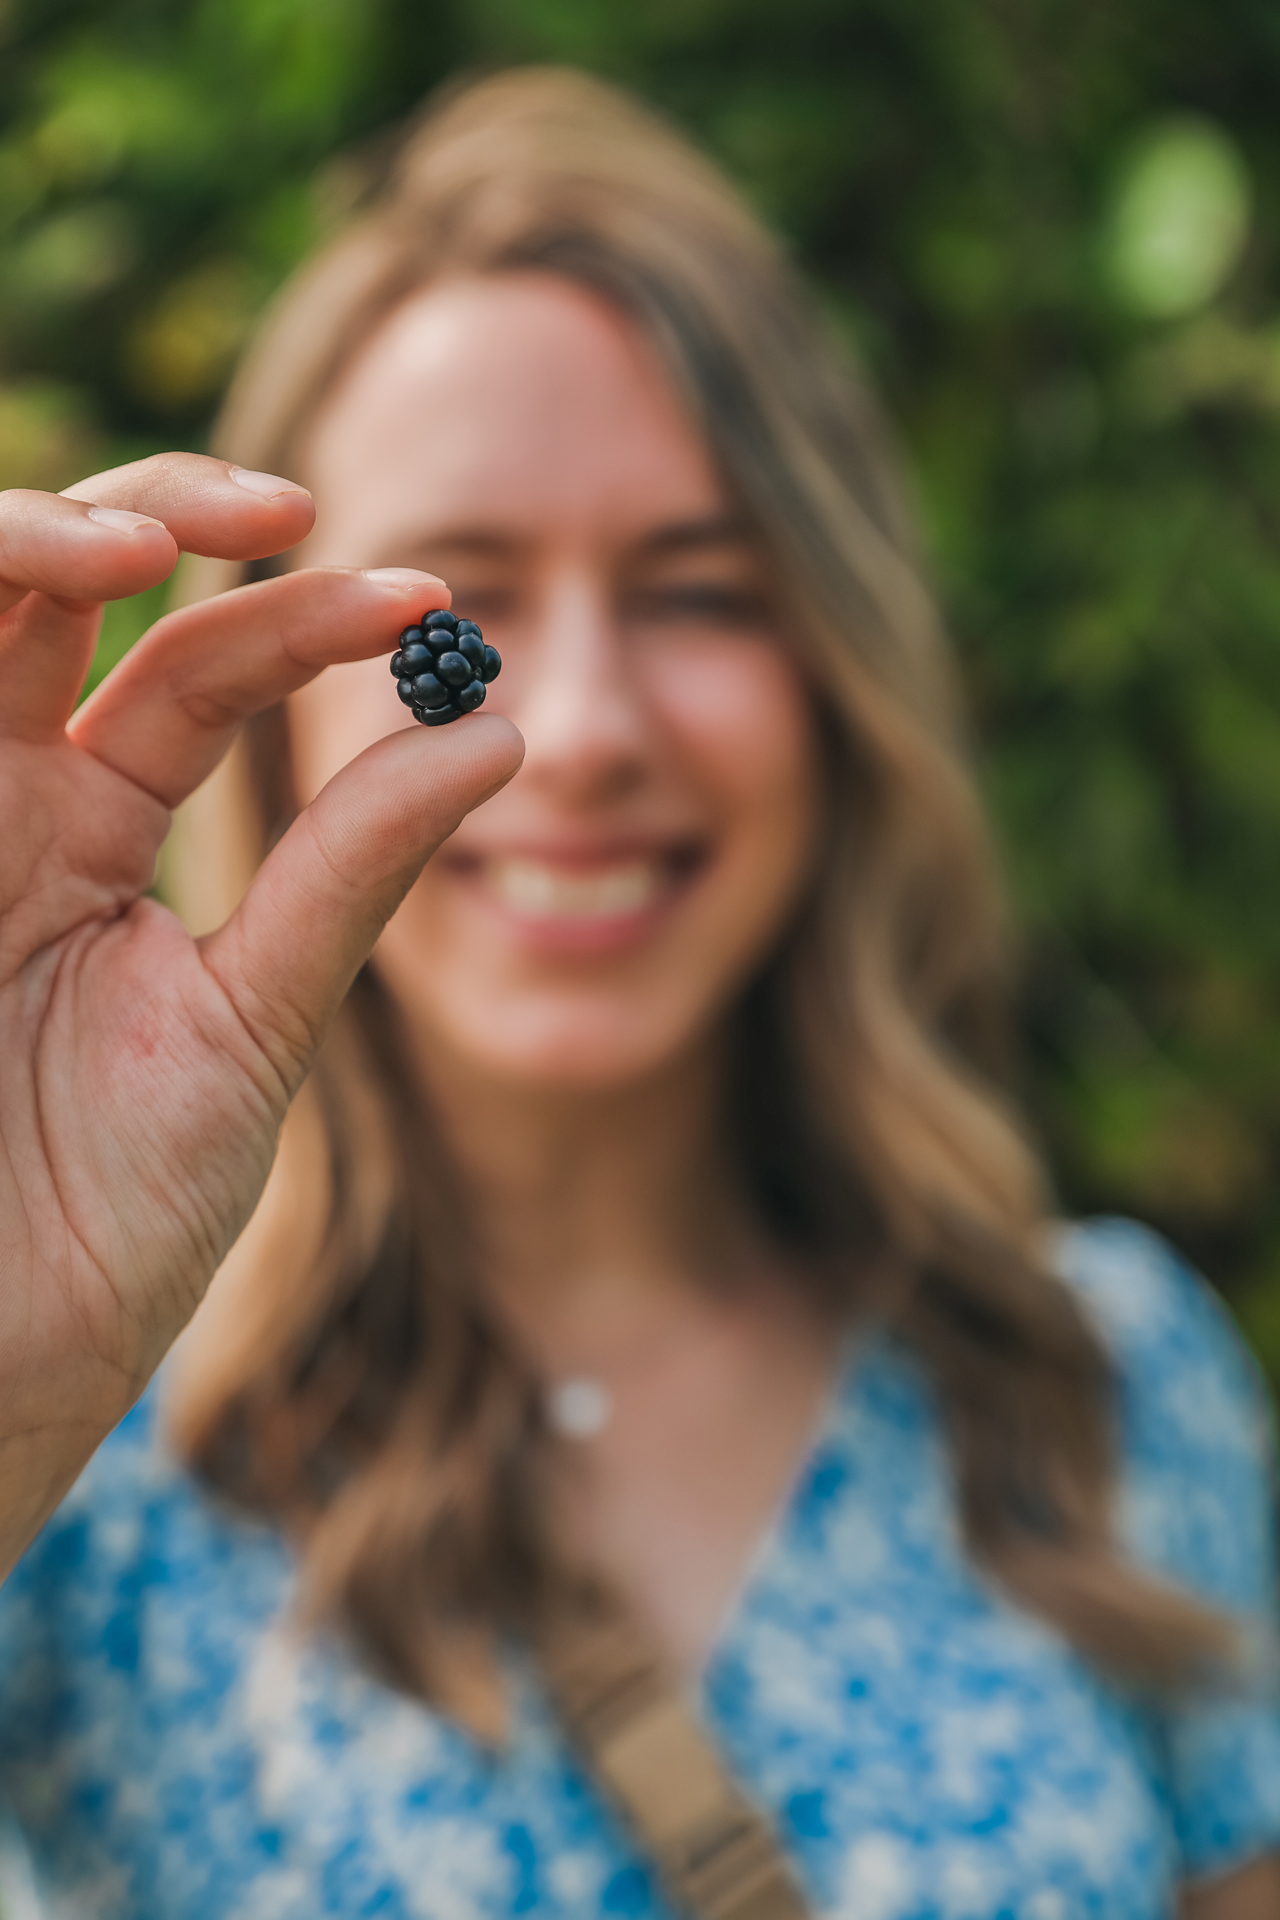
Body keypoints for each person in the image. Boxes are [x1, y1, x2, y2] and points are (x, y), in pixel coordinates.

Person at [0, 65, 1276, 1920]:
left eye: (698, 589)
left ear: (839, 682)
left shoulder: (1101, 1390)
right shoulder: (92, 1474)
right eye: (471, 599)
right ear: (264, 717)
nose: (581, 730)